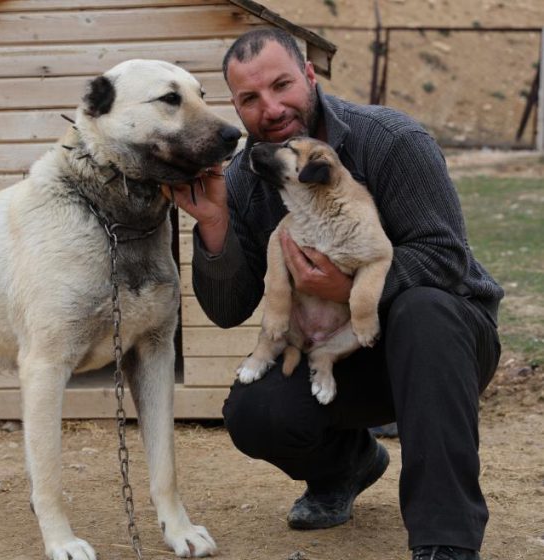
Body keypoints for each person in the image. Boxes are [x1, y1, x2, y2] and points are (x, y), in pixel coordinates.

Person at [166, 28, 503, 560]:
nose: (271, 108)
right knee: (256, 412)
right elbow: (227, 311)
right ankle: (346, 467)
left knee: (425, 310)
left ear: (309, 75)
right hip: (337, 353)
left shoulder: (392, 140)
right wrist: (213, 222)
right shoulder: (247, 179)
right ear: (235, 106)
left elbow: (446, 259)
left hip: (445, 347)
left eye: (281, 85)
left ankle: (446, 538)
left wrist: (351, 289)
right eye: (250, 98)